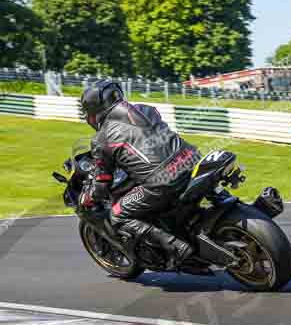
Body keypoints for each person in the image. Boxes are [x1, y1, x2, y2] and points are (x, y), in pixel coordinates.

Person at [79, 78, 200, 271]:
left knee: (117, 215)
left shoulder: (102, 139)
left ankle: (178, 247)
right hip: (191, 158)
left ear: (95, 110)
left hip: (161, 181)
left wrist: (88, 197)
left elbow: (102, 182)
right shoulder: (146, 109)